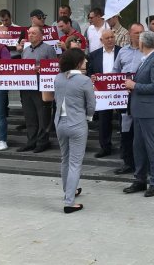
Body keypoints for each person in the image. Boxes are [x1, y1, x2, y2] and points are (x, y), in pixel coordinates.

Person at [123, 31, 154, 197]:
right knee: (138, 146)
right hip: (140, 110)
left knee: (152, 147)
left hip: (150, 111)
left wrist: (134, 86)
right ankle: (140, 179)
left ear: (142, 44)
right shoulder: (148, 58)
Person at [53, 48, 95, 214]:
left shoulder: (58, 78)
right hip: (77, 123)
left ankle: (68, 191)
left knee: (65, 159)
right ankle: (69, 201)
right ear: (77, 62)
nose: (86, 62)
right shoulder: (84, 80)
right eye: (84, 60)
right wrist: (89, 117)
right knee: (75, 163)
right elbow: (91, 104)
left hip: (60, 122)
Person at [16, 26, 57, 152]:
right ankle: (31, 141)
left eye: (34, 33)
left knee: (42, 116)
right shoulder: (26, 50)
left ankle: (42, 142)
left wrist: (41, 69)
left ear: (41, 36)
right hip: (26, 87)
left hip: (41, 88)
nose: (30, 35)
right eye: (29, 33)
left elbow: (54, 68)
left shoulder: (48, 49)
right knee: (30, 116)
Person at [112, 22, 145, 174]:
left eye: (141, 32)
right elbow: (115, 71)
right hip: (124, 98)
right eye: (136, 33)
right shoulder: (122, 52)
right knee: (125, 131)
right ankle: (127, 162)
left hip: (141, 96)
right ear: (129, 34)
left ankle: (143, 164)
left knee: (141, 132)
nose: (139, 35)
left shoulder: (148, 52)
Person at [86, 30, 121, 158]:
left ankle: (125, 145)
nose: (110, 39)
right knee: (104, 119)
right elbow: (89, 73)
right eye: (107, 38)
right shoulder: (94, 55)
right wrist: (92, 77)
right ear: (101, 40)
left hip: (120, 90)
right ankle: (105, 147)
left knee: (123, 119)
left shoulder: (122, 51)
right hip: (103, 91)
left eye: (112, 37)